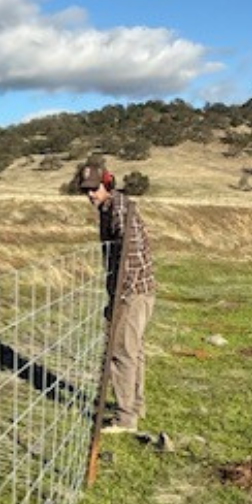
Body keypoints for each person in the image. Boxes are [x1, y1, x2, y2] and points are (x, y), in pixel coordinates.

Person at [76, 164, 156, 434]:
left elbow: (130, 253)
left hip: (132, 293)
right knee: (134, 351)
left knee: (121, 352)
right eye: (86, 190)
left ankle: (125, 419)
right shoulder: (110, 207)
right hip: (135, 291)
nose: (90, 195)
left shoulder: (119, 208)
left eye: (94, 189)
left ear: (107, 185)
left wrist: (121, 297)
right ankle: (135, 405)